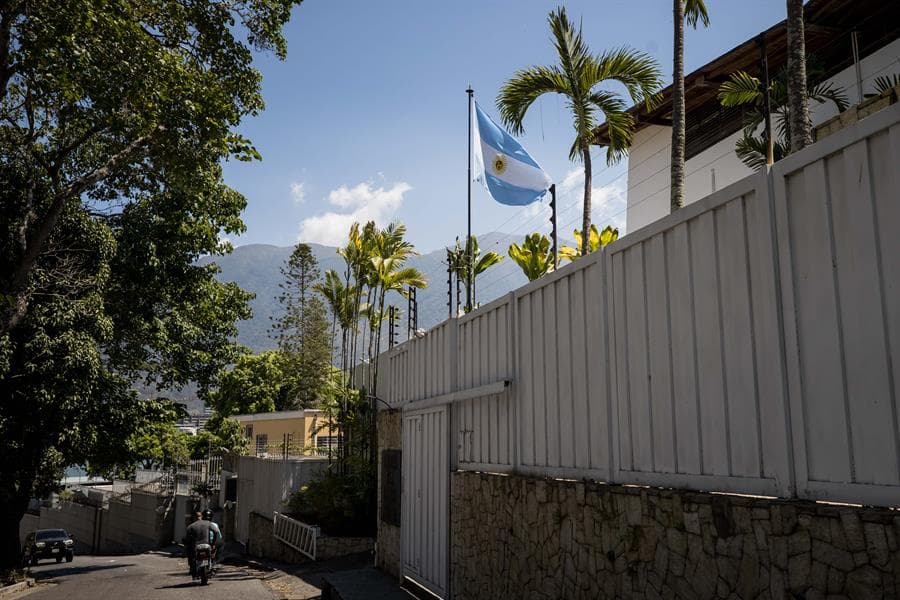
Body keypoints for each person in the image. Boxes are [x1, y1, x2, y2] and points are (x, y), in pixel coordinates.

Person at [183, 511, 212, 577]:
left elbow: (187, 539)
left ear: (194, 518)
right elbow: (215, 531)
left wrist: (186, 543)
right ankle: (210, 567)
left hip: (196, 547)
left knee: (191, 555)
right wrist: (212, 542)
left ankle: (192, 569)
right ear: (201, 516)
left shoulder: (190, 526)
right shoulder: (208, 524)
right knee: (211, 556)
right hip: (207, 545)